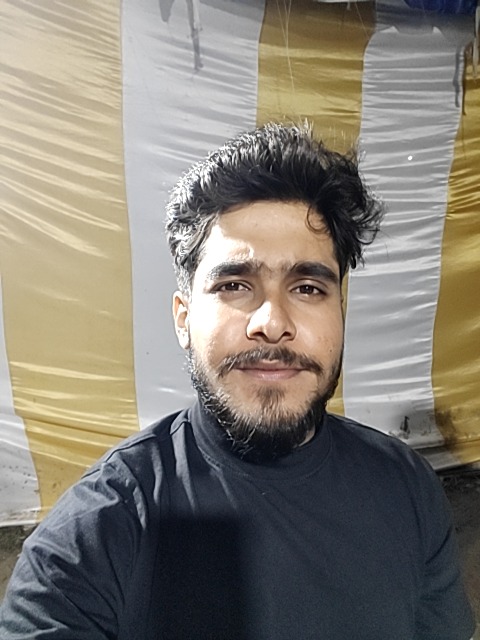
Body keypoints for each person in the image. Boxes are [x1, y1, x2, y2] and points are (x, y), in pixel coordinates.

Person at [0, 123, 475, 640]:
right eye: (234, 285)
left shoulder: (407, 487)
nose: (272, 322)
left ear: (341, 311)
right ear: (183, 319)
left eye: (308, 287)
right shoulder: (95, 539)